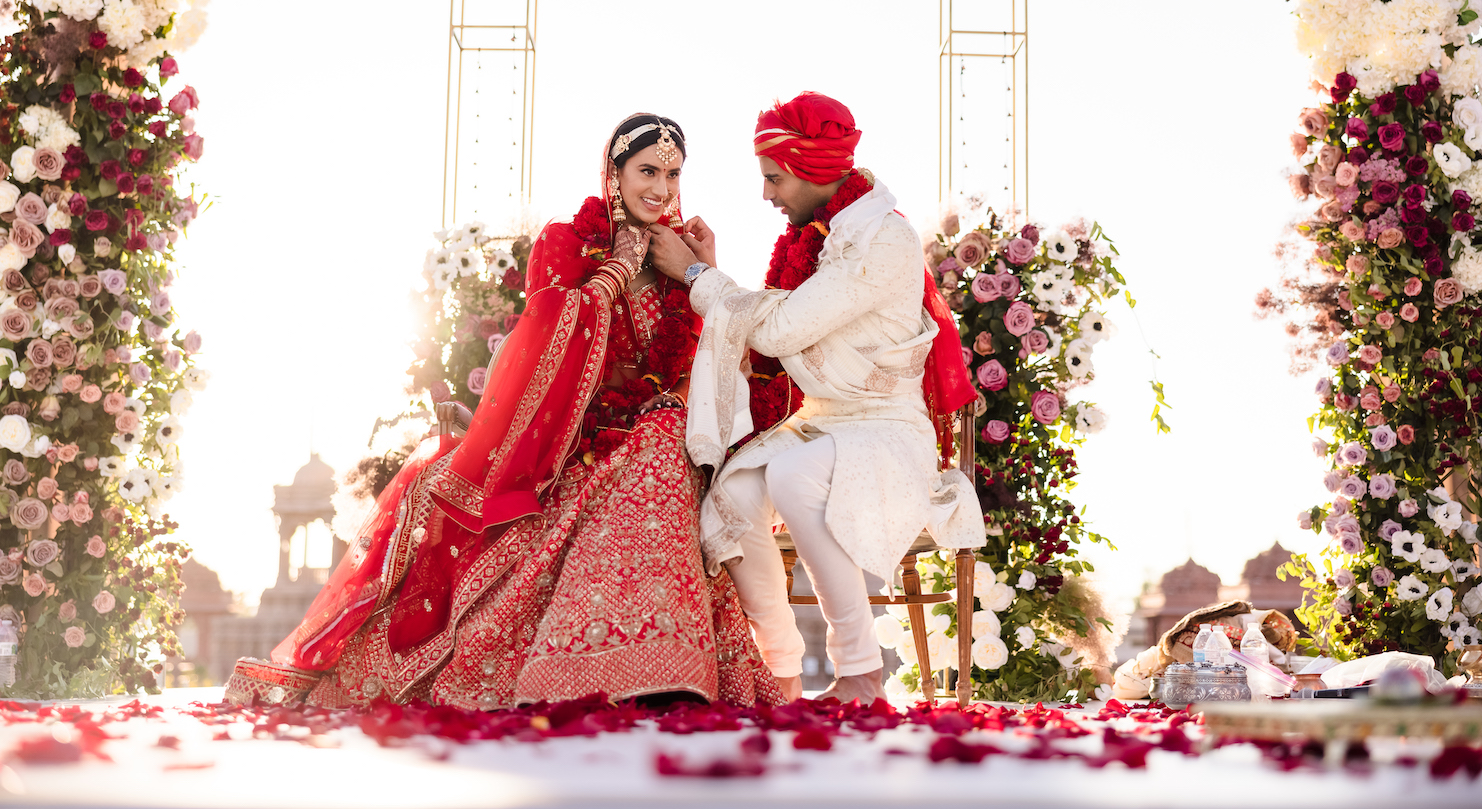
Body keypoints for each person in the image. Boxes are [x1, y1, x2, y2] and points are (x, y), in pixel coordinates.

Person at [226, 114, 782, 709]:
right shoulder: (569, 242)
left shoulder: (681, 255)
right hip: (574, 443)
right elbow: (543, 343)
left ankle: (658, 662)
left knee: (666, 436)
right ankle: (619, 668)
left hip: (657, 433)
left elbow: (711, 360)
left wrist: (704, 273)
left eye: (673, 175)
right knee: (657, 447)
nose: (663, 189)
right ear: (613, 175)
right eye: (648, 171)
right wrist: (615, 271)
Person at [649, 91, 983, 704]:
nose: (768, 194)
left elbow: (776, 331)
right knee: (735, 492)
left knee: (795, 474)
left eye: (775, 178)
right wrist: (715, 271)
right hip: (824, 423)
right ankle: (776, 675)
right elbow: (772, 317)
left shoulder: (879, 240)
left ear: (811, 170)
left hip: (884, 426)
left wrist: (697, 277)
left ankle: (859, 671)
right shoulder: (819, 236)